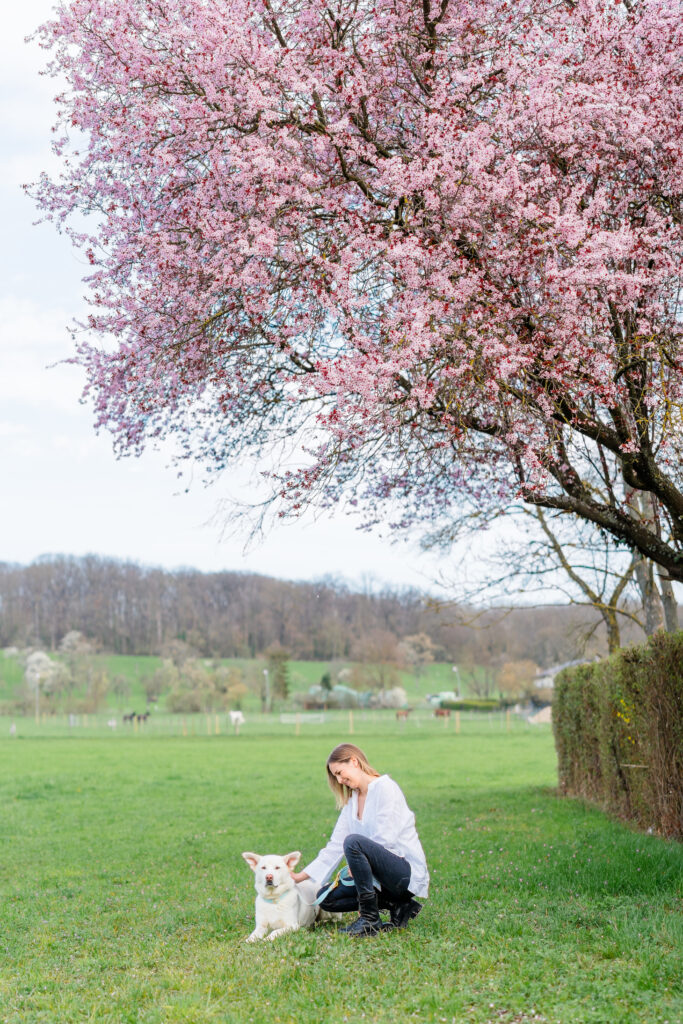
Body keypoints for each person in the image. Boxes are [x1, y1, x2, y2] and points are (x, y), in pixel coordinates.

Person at [289, 742, 429, 937]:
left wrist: (361, 864)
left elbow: (385, 839)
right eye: (335, 776)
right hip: (376, 875)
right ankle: (399, 905)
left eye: (339, 772)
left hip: (403, 873)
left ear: (354, 761)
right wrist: (299, 876)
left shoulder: (386, 788)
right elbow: (335, 846)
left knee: (354, 841)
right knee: (325, 899)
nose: (339, 780)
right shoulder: (352, 801)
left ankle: (369, 919)